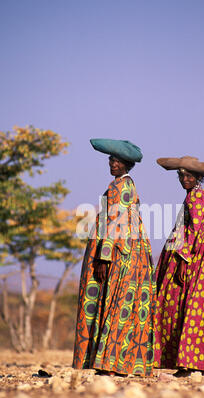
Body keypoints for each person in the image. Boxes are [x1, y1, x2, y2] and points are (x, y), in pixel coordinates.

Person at [72, 139, 156, 377]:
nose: (113, 163)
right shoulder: (123, 185)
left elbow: (116, 222)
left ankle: (110, 364)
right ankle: (117, 363)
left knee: (116, 303)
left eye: (117, 161)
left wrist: (104, 257)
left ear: (126, 164)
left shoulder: (121, 187)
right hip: (129, 251)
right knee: (122, 305)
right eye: (111, 159)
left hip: (120, 253)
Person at [154, 156, 204, 375]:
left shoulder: (196, 196)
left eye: (188, 175)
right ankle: (195, 362)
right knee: (191, 305)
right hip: (192, 250)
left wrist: (184, 261)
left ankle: (189, 363)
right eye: (180, 175)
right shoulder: (193, 195)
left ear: (197, 177)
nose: (183, 179)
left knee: (185, 304)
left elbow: (195, 230)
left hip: (194, 254)